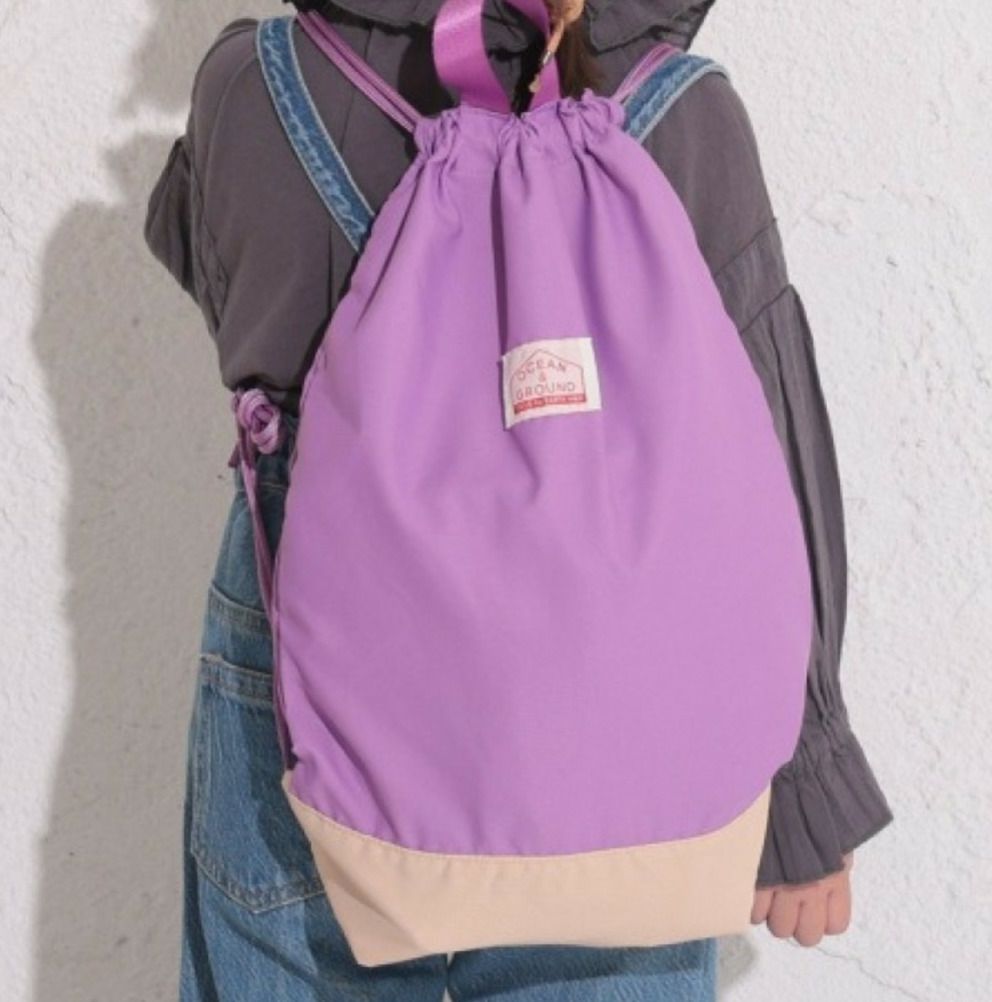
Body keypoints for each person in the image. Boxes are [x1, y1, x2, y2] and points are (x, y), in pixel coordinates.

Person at [143, 1, 895, 998]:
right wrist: (806, 791)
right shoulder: (680, 112)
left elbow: (211, 275)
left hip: (307, 673)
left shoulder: (254, 83)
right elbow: (772, 448)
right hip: (616, 702)